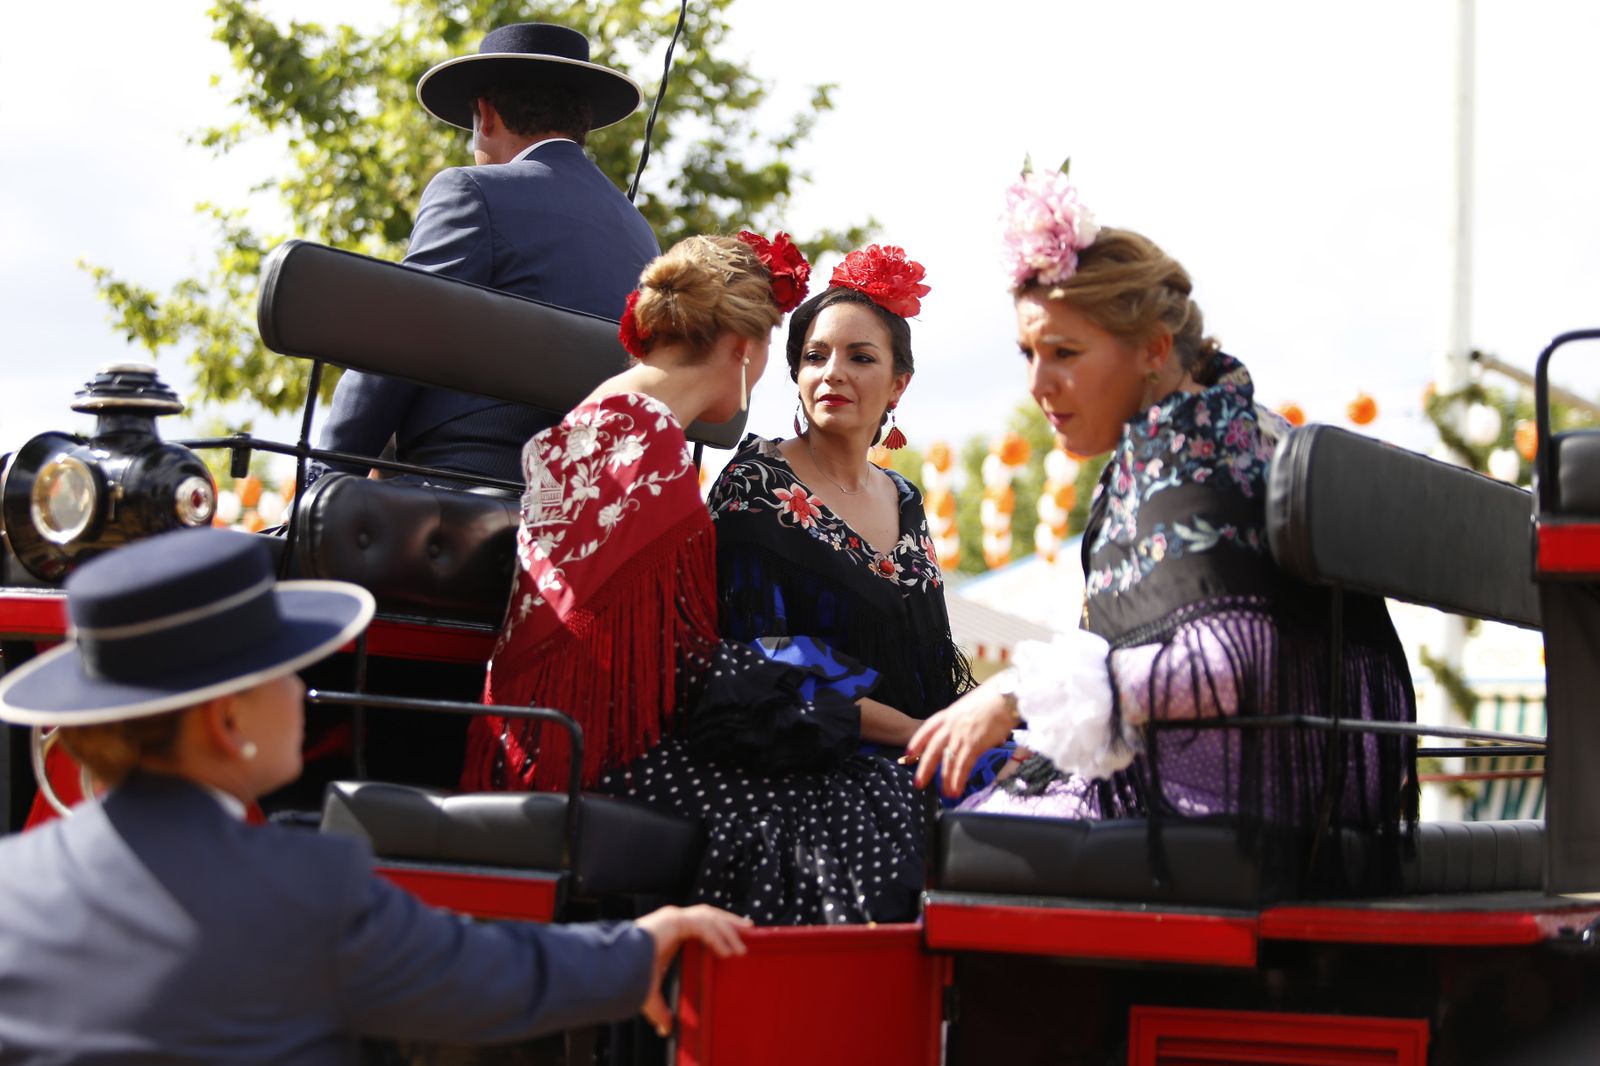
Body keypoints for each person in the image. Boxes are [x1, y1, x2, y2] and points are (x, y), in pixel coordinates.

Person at [0, 528, 749, 1063]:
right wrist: (643, 945)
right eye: (283, 670)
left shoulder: (14, 886)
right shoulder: (303, 890)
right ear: (227, 721)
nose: (302, 688)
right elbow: (490, 973)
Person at [906, 169, 1416, 887]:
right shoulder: (1240, 425)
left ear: (1152, 348)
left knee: (918, 826)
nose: (1037, 384)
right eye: (1029, 354)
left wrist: (1013, 693)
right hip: (1309, 798)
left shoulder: (1187, 454)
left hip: (1227, 807)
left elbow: (1231, 666)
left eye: (1065, 352)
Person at [463, 233, 930, 924]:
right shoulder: (645, 444)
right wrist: (857, 722)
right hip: (589, 755)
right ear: (744, 348)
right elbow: (688, 668)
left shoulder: (619, 418)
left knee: (865, 790)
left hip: (554, 737)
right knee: (864, 809)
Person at [312, 22, 660, 488]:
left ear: (485, 113)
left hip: (460, 485)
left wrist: (322, 477)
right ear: (582, 122)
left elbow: (395, 343)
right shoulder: (641, 233)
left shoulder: (470, 190)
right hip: (590, 494)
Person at [706, 244, 979, 786]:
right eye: (815, 356)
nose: (833, 373)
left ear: (898, 385)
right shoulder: (756, 483)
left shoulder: (905, 498)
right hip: (810, 764)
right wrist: (915, 733)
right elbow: (765, 661)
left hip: (923, 749)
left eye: (861, 357)